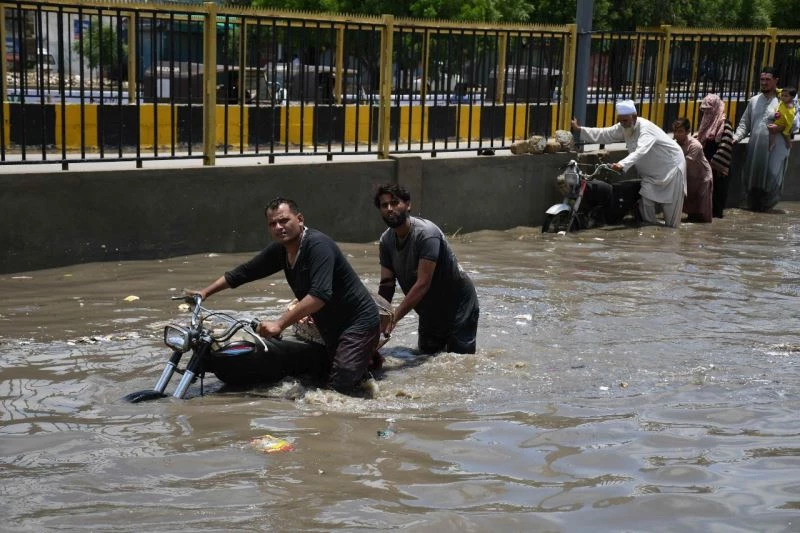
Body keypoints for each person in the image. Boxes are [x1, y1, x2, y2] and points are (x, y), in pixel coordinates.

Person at [191, 197, 380, 394]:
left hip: (358, 323)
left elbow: (319, 295)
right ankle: (368, 366)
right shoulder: (281, 250)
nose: (278, 227)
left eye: (284, 220)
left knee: (339, 390)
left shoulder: (318, 246)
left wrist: (279, 324)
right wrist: (204, 292)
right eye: (272, 223)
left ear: (300, 219)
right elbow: (244, 272)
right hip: (329, 326)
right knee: (323, 376)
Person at [373, 183, 479, 354]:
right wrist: (378, 319)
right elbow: (386, 285)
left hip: (458, 305)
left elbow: (423, 283)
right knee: (425, 357)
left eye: (394, 202)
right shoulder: (386, 241)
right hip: (428, 308)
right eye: (384, 205)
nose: (390, 208)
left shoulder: (426, 233)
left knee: (459, 363)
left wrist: (394, 319)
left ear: (408, 205)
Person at [571, 100, 687, 228]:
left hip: (671, 170)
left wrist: (622, 164)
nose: (622, 124)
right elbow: (605, 133)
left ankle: (671, 238)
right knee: (646, 202)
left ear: (634, 117)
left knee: (671, 221)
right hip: (650, 175)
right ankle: (650, 236)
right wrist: (579, 130)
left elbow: (640, 151)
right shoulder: (624, 127)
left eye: (625, 121)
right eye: (620, 120)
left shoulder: (646, 129)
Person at [733, 66, 791, 212]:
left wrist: (779, 129)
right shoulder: (753, 101)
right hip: (755, 150)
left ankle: (767, 212)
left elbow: (794, 124)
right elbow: (744, 124)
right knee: (752, 182)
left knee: (771, 181)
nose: (764, 83)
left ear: (776, 81)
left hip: (775, 150)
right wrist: (735, 138)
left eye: (768, 80)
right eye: (762, 79)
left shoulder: (784, 102)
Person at [696, 93, 735, 218]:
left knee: (718, 194)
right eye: (705, 110)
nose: (707, 113)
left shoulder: (724, 124)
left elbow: (726, 145)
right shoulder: (705, 123)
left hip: (718, 166)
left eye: (710, 109)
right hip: (706, 163)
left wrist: (716, 164)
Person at [673, 118, 713, 223]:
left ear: (687, 132)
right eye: (675, 131)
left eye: (680, 131)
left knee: (702, 211)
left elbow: (684, 163)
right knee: (691, 210)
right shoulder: (674, 144)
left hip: (702, 178)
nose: (677, 134)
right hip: (689, 177)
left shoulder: (695, 145)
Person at [768, 86, 796, 152]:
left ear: (792, 98)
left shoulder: (789, 106)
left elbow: (790, 119)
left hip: (784, 123)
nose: (783, 97)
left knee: (785, 134)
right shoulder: (784, 100)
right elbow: (780, 92)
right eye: (782, 95)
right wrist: (777, 89)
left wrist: (787, 128)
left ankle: (788, 143)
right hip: (778, 121)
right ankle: (773, 142)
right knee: (771, 130)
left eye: (786, 96)